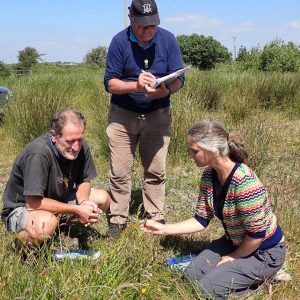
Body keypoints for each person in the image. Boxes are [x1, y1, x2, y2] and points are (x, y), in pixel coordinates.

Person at [141, 120, 286, 299]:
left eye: (194, 151)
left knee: (205, 289)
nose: (190, 155)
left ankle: (260, 283)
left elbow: (256, 235)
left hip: (264, 251)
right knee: (190, 276)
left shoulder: (245, 183)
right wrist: (163, 229)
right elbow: (201, 219)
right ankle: (237, 276)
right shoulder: (209, 175)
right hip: (235, 241)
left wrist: (234, 257)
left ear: (212, 151)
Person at [104, 0, 185, 238]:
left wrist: (166, 90)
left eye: (152, 25)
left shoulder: (168, 39)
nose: (148, 30)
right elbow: (110, 83)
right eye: (142, 25)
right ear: (131, 18)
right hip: (123, 116)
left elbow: (179, 77)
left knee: (156, 170)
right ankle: (117, 219)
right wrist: (136, 86)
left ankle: (155, 216)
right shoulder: (119, 41)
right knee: (119, 171)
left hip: (158, 115)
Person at [1, 109, 111, 251]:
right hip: (22, 207)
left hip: (57, 199)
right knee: (45, 224)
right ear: (54, 136)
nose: (76, 146)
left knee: (102, 198)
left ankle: (59, 228)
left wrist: (84, 202)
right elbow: (33, 203)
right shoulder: (38, 154)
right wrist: (77, 210)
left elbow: (84, 180)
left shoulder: (81, 147)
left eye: (80, 139)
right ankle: (18, 246)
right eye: (70, 141)